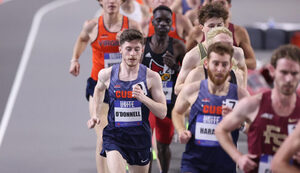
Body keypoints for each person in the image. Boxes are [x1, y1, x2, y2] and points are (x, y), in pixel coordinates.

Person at [69, 0, 140, 172]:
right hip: (99, 86)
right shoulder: (92, 26)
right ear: (100, 1)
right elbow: (82, 39)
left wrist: (127, 42)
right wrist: (75, 59)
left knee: (125, 136)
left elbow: (142, 51)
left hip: (125, 88)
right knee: (103, 137)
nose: (111, 1)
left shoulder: (131, 25)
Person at [87, 29, 167, 173]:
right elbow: (98, 90)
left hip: (139, 139)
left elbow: (162, 112)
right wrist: (95, 114)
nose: (132, 54)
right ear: (120, 50)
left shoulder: (151, 77)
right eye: (128, 49)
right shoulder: (107, 74)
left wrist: (144, 98)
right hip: (115, 136)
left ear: (142, 50)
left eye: (136, 49)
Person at [215, 44, 300, 173]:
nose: (289, 79)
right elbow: (221, 129)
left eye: (294, 73)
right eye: (284, 72)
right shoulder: (253, 104)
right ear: (272, 71)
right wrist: (239, 158)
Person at [172, 42, 249, 172]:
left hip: (225, 163)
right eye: (215, 63)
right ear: (206, 64)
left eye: (224, 64)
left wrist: (240, 125)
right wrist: (180, 130)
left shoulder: (240, 94)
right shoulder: (192, 90)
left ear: (230, 66)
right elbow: (177, 112)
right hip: (194, 162)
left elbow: (255, 127)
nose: (219, 69)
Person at [141, 5, 186, 173]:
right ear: (152, 21)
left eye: (167, 21)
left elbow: (188, 76)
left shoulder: (179, 47)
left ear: (172, 24)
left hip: (168, 103)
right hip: (147, 102)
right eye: (159, 20)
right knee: (146, 144)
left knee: (163, 145)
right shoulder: (143, 45)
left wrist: (176, 67)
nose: (162, 24)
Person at [186, 0, 256, 70]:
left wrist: (228, 63)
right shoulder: (196, 32)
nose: (219, 5)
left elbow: (253, 63)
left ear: (229, 5)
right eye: (211, 26)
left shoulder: (239, 32)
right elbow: (184, 58)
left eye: (222, 3)